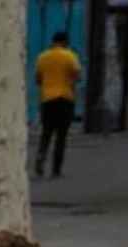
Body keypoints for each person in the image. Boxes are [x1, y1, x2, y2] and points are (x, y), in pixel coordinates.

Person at [35, 31, 81, 179]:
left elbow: (38, 79)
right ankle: (56, 169)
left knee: (46, 133)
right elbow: (77, 75)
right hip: (65, 99)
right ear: (65, 42)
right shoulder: (70, 56)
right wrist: (70, 81)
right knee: (61, 136)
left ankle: (41, 157)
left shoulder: (42, 57)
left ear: (53, 41)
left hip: (47, 99)